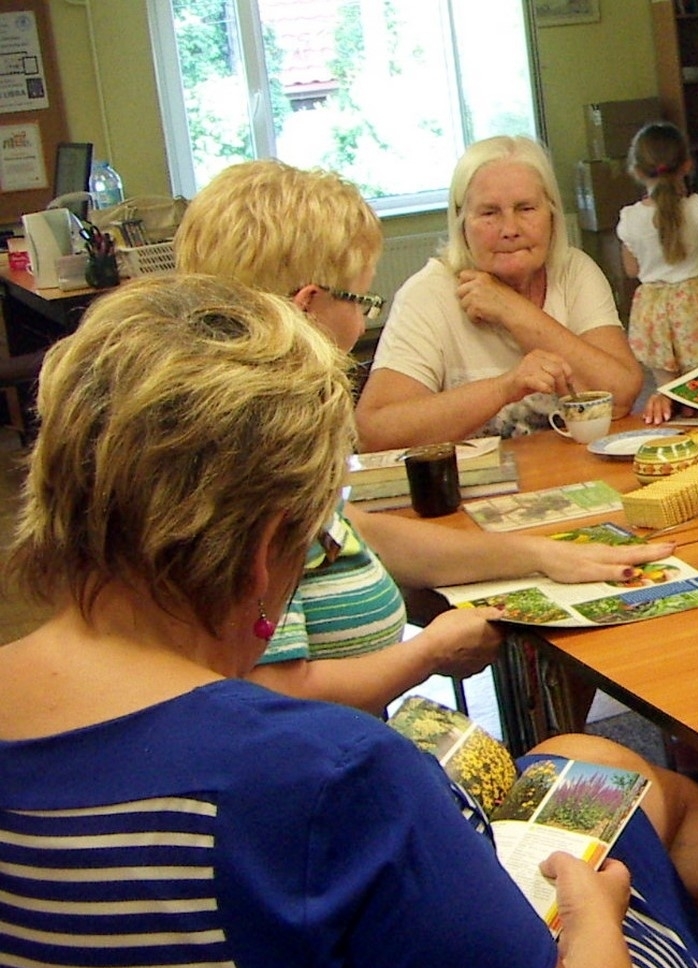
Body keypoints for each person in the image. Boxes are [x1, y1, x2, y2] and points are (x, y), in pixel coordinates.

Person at [0, 275, 698, 968]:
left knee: (589, 759)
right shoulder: (327, 781)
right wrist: (591, 922)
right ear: (264, 551)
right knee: (607, 842)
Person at [176, 159, 671, 715]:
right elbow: (275, 696)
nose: (363, 324)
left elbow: (355, 530)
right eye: (362, 302)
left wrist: (537, 555)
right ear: (307, 305)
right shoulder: (250, 455)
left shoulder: (233, 422)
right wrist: (428, 652)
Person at [356, 135, 643, 449]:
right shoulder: (426, 294)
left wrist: (514, 311)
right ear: (461, 221)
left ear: (552, 214)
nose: (510, 229)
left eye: (526, 208)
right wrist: (505, 387)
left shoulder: (574, 271)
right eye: (489, 213)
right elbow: (375, 433)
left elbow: (621, 395)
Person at [620, 122, 698, 416]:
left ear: (636, 170)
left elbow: (631, 268)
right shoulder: (695, 208)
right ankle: (695, 404)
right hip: (691, 300)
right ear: (687, 165)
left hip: (652, 304)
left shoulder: (630, 218)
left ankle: (667, 399)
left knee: (664, 373)